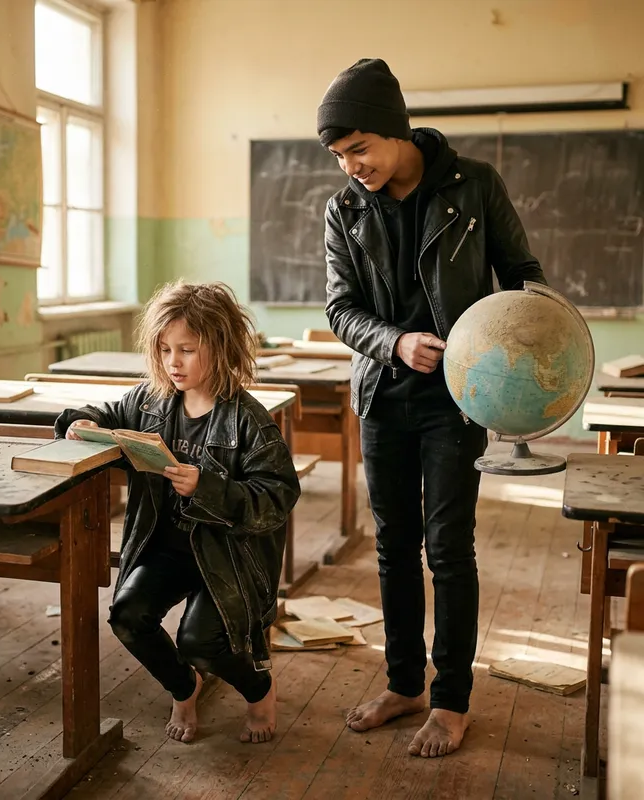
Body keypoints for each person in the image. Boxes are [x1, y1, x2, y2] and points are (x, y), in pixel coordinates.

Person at [317, 58, 546, 758]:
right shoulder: (345, 209)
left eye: (360, 148)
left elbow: (525, 275)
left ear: (395, 130)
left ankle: (449, 702)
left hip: (460, 399)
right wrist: (394, 341)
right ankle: (404, 682)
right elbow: (339, 308)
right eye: (338, 155)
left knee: (448, 550)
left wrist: (517, 347)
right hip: (383, 396)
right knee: (392, 550)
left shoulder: (474, 185)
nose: (352, 166)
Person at [54, 281, 301, 745]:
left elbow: (278, 497)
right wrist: (79, 422)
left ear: (222, 346)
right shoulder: (149, 401)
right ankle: (184, 688)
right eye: (165, 349)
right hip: (166, 547)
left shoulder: (248, 419)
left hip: (225, 558)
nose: (173, 362)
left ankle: (259, 688)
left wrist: (208, 488)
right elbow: (104, 412)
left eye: (187, 349)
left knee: (198, 642)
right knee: (127, 615)